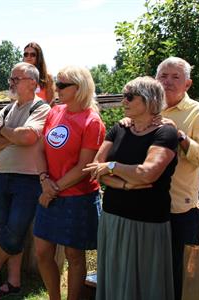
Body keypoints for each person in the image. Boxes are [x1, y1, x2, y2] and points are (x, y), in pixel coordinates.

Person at [120, 57, 199, 299]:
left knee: (174, 275)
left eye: (176, 77)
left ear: (188, 84)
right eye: (163, 76)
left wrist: (180, 135)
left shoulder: (198, 114)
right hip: (141, 204)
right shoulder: (144, 108)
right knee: (145, 272)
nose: (168, 82)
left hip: (178, 208)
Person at [84, 76, 178, 300]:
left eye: (129, 97)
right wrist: (127, 184)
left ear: (148, 100)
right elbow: (95, 169)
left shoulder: (165, 133)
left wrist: (113, 166)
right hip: (113, 216)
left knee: (144, 282)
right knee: (115, 277)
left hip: (147, 222)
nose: (123, 101)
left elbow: (148, 173)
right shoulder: (119, 129)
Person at [34, 66, 105, 300]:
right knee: (42, 252)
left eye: (63, 85)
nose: (57, 88)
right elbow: (40, 149)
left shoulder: (92, 121)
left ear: (80, 88)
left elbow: (84, 167)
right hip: (50, 191)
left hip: (77, 198)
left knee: (75, 256)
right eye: (57, 83)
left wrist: (51, 190)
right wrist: (44, 180)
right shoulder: (55, 111)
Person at [0, 62, 50, 299]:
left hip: (28, 178)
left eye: (17, 79)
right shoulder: (7, 109)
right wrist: (12, 134)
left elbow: (28, 137)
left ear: (33, 83)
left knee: (15, 231)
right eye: (11, 78)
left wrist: (5, 132)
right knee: (6, 230)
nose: (11, 82)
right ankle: (14, 282)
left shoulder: (40, 108)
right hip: (2, 175)